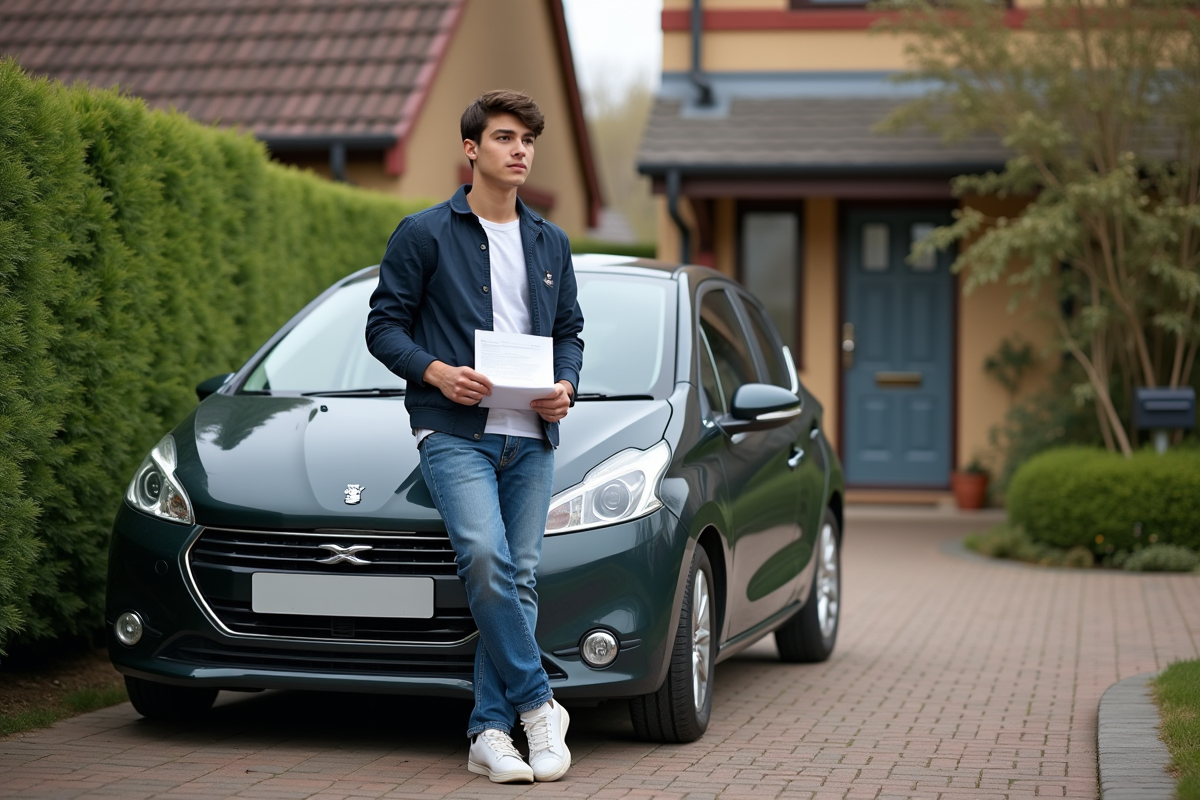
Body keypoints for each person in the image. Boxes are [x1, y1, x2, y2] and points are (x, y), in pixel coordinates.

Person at [365, 89, 584, 784]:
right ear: (471, 150)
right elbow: (383, 327)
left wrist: (567, 386)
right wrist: (434, 372)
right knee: (486, 560)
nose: (519, 150)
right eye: (504, 138)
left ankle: (489, 733)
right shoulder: (423, 233)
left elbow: (569, 333)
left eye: (526, 140)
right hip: (454, 431)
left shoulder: (550, 241)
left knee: (518, 580)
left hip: (532, 436)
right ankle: (540, 705)